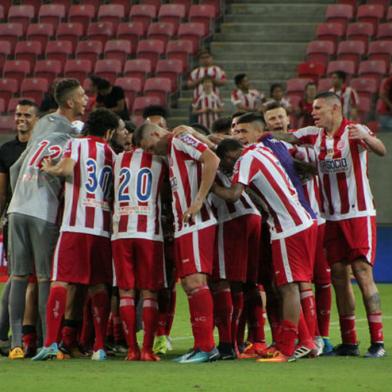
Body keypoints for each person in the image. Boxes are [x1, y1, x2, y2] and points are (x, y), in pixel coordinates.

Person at [212, 119, 317, 363]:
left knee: (289, 287)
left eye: (226, 161)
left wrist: (209, 185)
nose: (228, 167)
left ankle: (288, 348)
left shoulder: (245, 159)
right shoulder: (261, 150)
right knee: (285, 286)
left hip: (290, 226)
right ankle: (306, 342)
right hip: (295, 222)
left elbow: (233, 194)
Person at [290, 91, 386, 358]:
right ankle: (350, 342)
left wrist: (366, 138)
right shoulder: (312, 134)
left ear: (334, 108)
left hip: (358, 214)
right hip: (330, 217)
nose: (313, 112)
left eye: (318, 108)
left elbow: (381, 149)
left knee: (362, 272)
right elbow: (285, 138)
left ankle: (377, 342)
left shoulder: (355, 130)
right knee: (339, 276)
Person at [6, 79, 88, 360]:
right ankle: (45, 342)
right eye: (81, 96)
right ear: (69, 103)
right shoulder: (72, 137)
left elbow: (17, 167)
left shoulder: (41, 126)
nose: (86, 99)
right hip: (43, 212)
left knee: (17, 276)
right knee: (44, 278)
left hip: (17, 208)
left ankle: (17, 343)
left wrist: (18, 198)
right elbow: (70, 171)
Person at [32, 108, 119, 362]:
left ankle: (50, 343)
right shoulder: (112, 154)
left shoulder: (76, 145)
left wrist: (50, 168)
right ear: (110, 132)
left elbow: (67, 169)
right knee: (98, 285)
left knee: (61, 282)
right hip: (102, 229)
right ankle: (100, 347)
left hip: (75, 225)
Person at [133, 123, 220, 363]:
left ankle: (207, 347)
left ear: (155, 133)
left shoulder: (179, 139)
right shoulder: (171, 152)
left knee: (196, 282)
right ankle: (201, 345)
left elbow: (212, 159)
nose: (150, 153)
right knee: (190, 286)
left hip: (197, 222)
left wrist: (198, 200)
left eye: (149, 147)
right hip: (185, 225)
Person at [264, 103, 333, 354]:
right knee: (298, 283)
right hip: (296, 222)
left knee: (321, 281)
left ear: (287, 118)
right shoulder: (271, 151)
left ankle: (321, 336)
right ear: (266, 123)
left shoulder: (305, 144)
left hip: (317, 220)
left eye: (280, 116)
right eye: (272, 118)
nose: (277, 121)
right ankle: (309, 338)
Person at [111, 141, 168, 362]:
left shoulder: (117, 160)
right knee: (149, 292)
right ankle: (147, 350)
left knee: (126, 293)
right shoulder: (160, 161)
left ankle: (132, 350)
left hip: (121, 232)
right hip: (149, 234)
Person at [210, 138, 262, 360]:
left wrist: (209, 185)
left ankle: (227, 344)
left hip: (233, 221)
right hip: (255, 219)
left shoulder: (211, 169)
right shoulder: (246, 165)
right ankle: (246, 341)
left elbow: (232, 196)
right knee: (246, 284)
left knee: (225, 281)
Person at [0, 100, 39, 356]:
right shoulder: (6, 150)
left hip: (40, 219)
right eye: (18, 114)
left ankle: (29, 335)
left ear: (36, 119)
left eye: (26, 115)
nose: (21, 119)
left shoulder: (41, 147)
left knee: (28, 279)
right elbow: (2, 192)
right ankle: (7, 335)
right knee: (17, 278)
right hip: (15, 219)